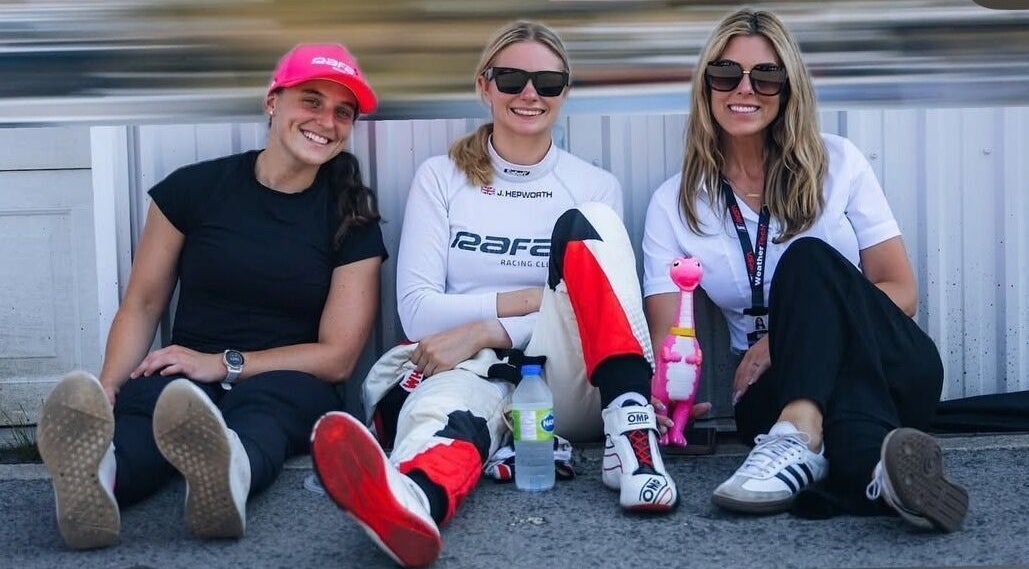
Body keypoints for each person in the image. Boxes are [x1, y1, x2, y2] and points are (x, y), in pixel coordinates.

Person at [310, 20, 695, 569]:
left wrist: (484, 327)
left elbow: (603, 303)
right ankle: (413, 500)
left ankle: (632, 445)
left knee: (591, 222)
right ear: (484, 86)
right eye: (512, 78)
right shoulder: (441, 177)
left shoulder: (592, 185)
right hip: (469, 369)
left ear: (565, 92)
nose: (529, 94)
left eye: (548, 81)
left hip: (570, 380)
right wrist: (530, 300)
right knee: (444, 414)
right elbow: (418, 311)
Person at [35, 43, 387, 549]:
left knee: (260, 420)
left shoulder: (351, 219)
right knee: (153, 408)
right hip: (184, 372)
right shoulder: (194, 189)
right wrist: (109, 387)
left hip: (290, 379)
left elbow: (336, 359)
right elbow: (143, 304)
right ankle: (96, 477)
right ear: (273, 101)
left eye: (342, 112)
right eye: (311, 101)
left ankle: (225, 481)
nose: (326, 121)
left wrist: (224, 364)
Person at [643, 8, 969, 531]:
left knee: (808, 259)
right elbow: (668, 343)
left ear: (789, 87)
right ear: (706, 88)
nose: (744, 89)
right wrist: (662, 401)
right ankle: (877, 477)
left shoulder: (839, 164)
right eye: (726, 74)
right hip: (767, 397)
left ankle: (798, 436)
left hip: (890, 366)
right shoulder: (676, 203)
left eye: (765, 75)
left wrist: (781, 341)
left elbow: (901, 290)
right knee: (843, 410)